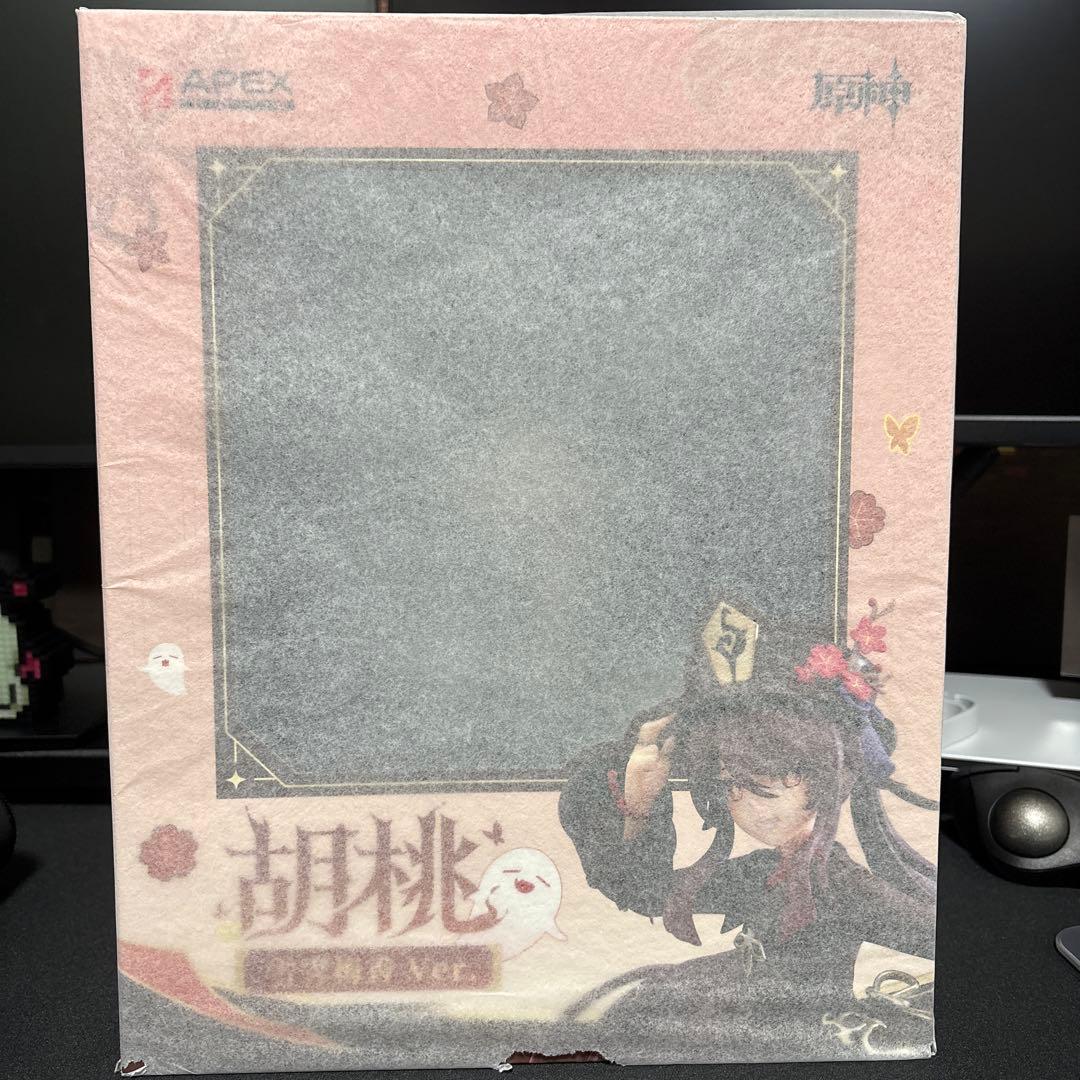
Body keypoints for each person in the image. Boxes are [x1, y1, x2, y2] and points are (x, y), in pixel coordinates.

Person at [558, 597, 938, 1059]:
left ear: (829, 780)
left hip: (803, 1048)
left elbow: (936, 937)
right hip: (753, 1033)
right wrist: (638, 805)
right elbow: (645, 892)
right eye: (729, 786)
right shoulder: (763, 871)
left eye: (768, 785)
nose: (746, 806)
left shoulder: (841, 884)